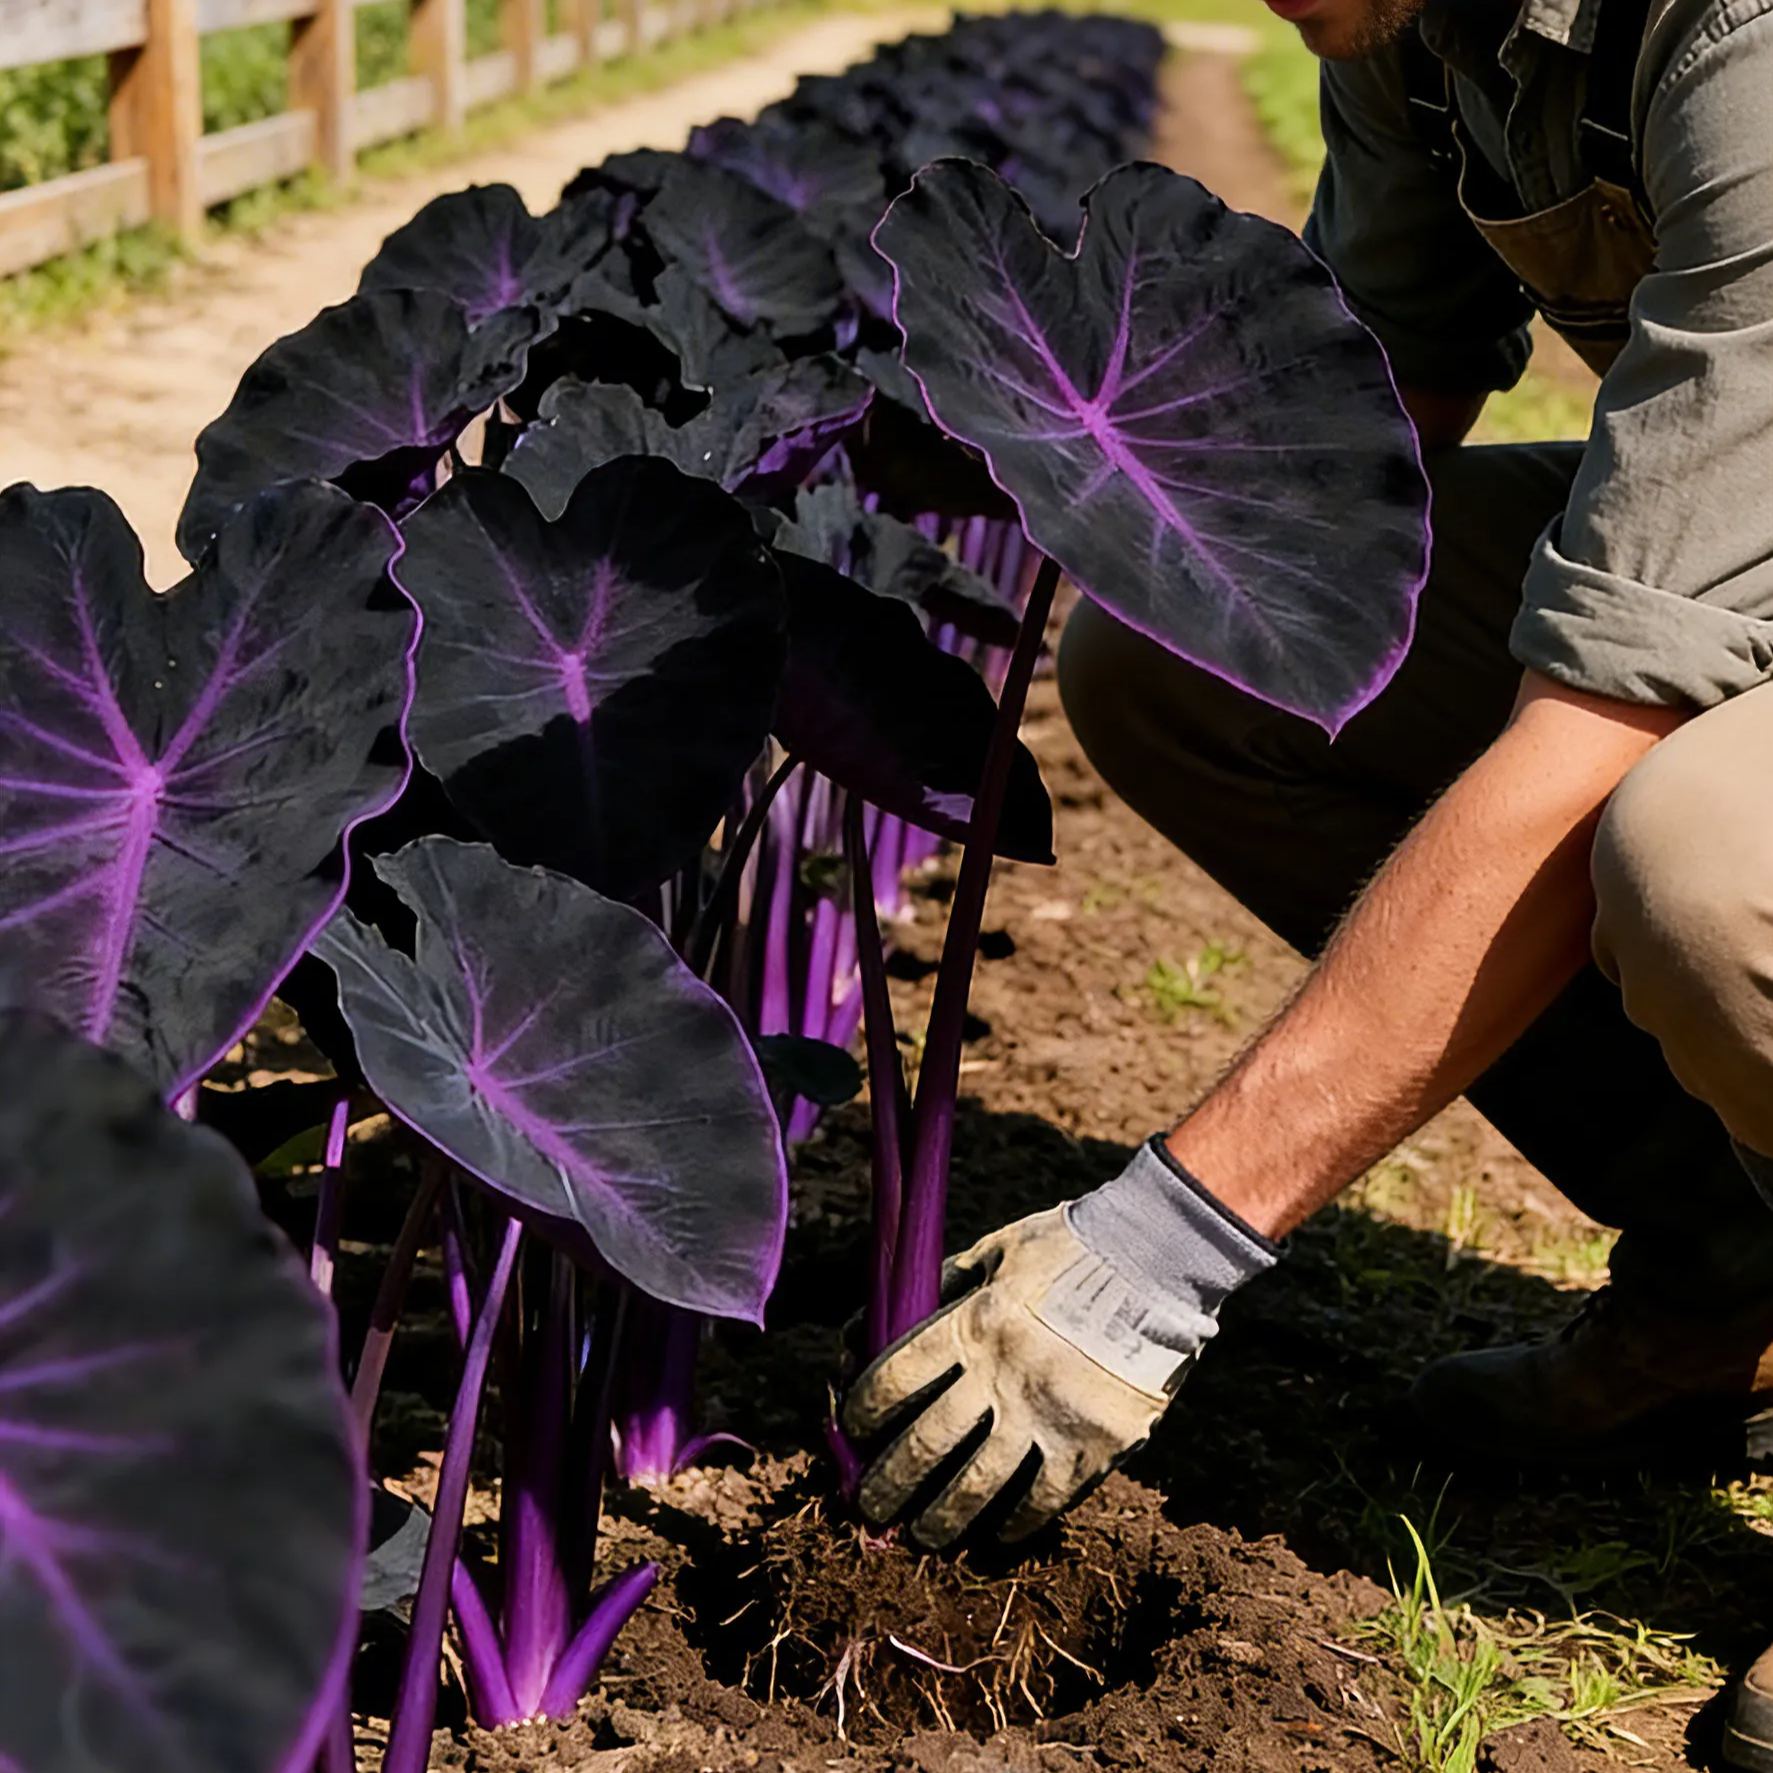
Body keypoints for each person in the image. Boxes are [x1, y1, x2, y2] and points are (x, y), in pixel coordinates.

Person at [841, 0, 1773, 1761]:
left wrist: (1159, 1245)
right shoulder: (1411, 21)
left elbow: (1614, 711)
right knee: (1180, 669)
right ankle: (1734, 1267)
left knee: (1701, 859)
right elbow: (1372, 429)